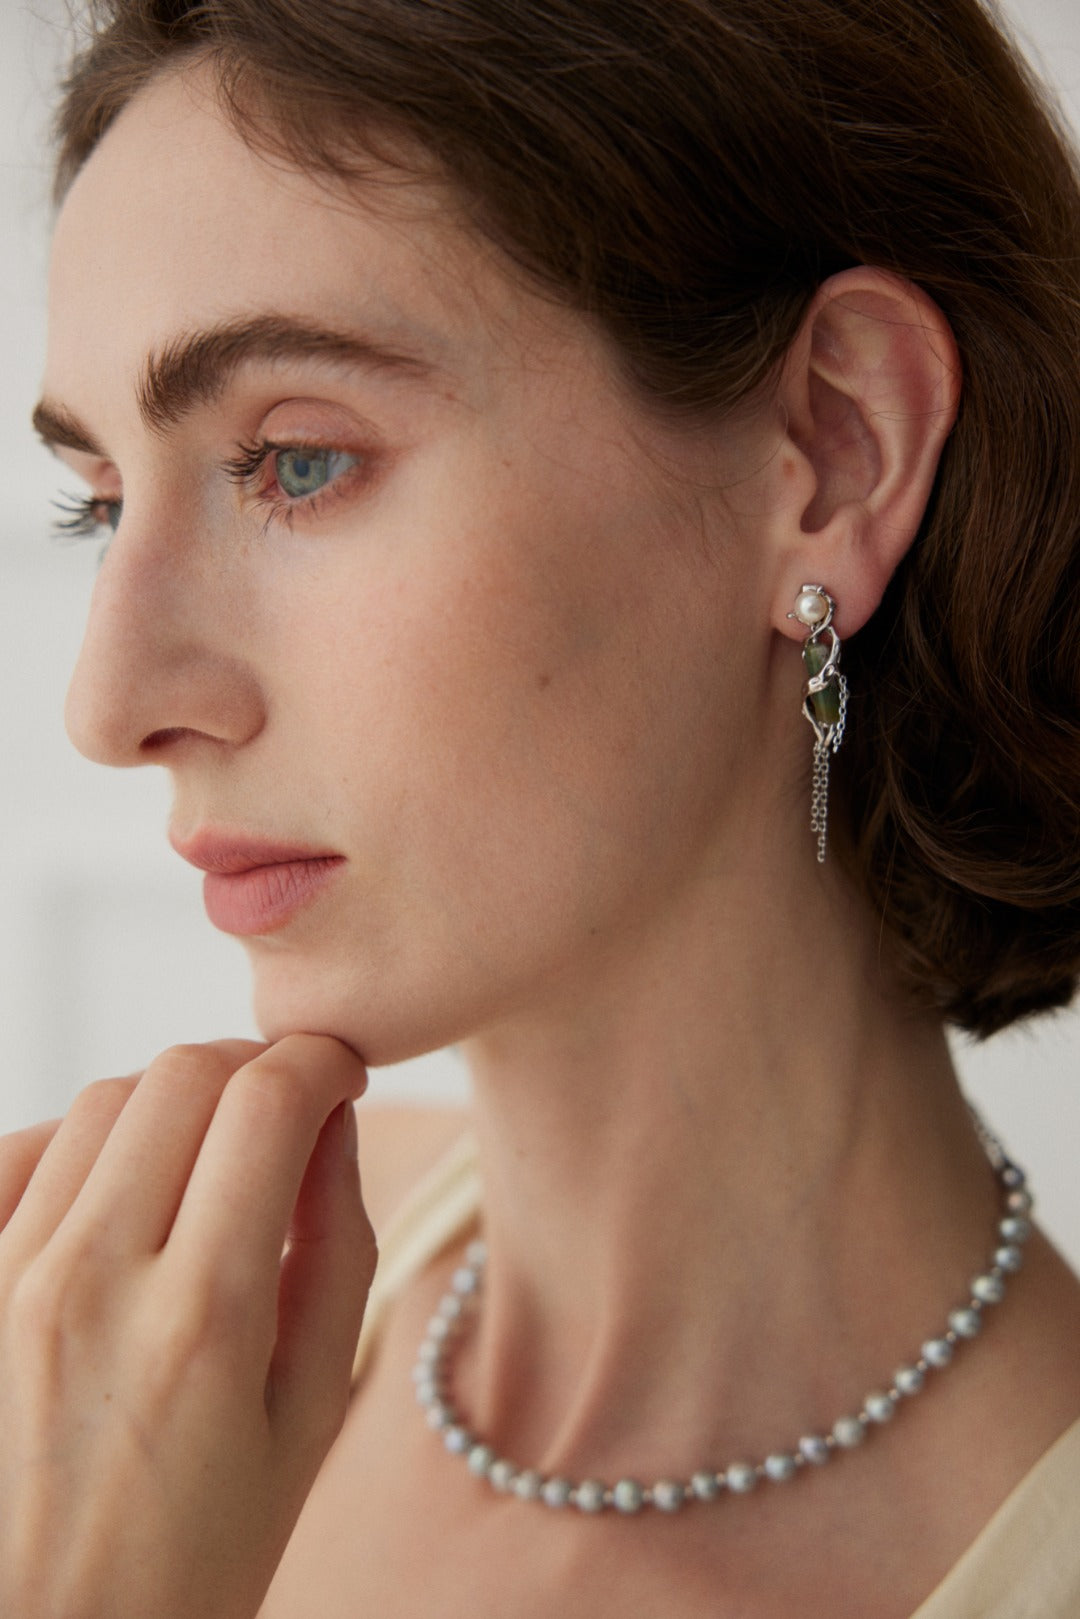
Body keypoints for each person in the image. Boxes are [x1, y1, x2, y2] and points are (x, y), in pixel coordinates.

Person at [4, 0, 1080, 1613]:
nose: (109, 706)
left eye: (297, 462)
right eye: (101, 505)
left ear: (836, 450)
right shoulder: (139, 1350)